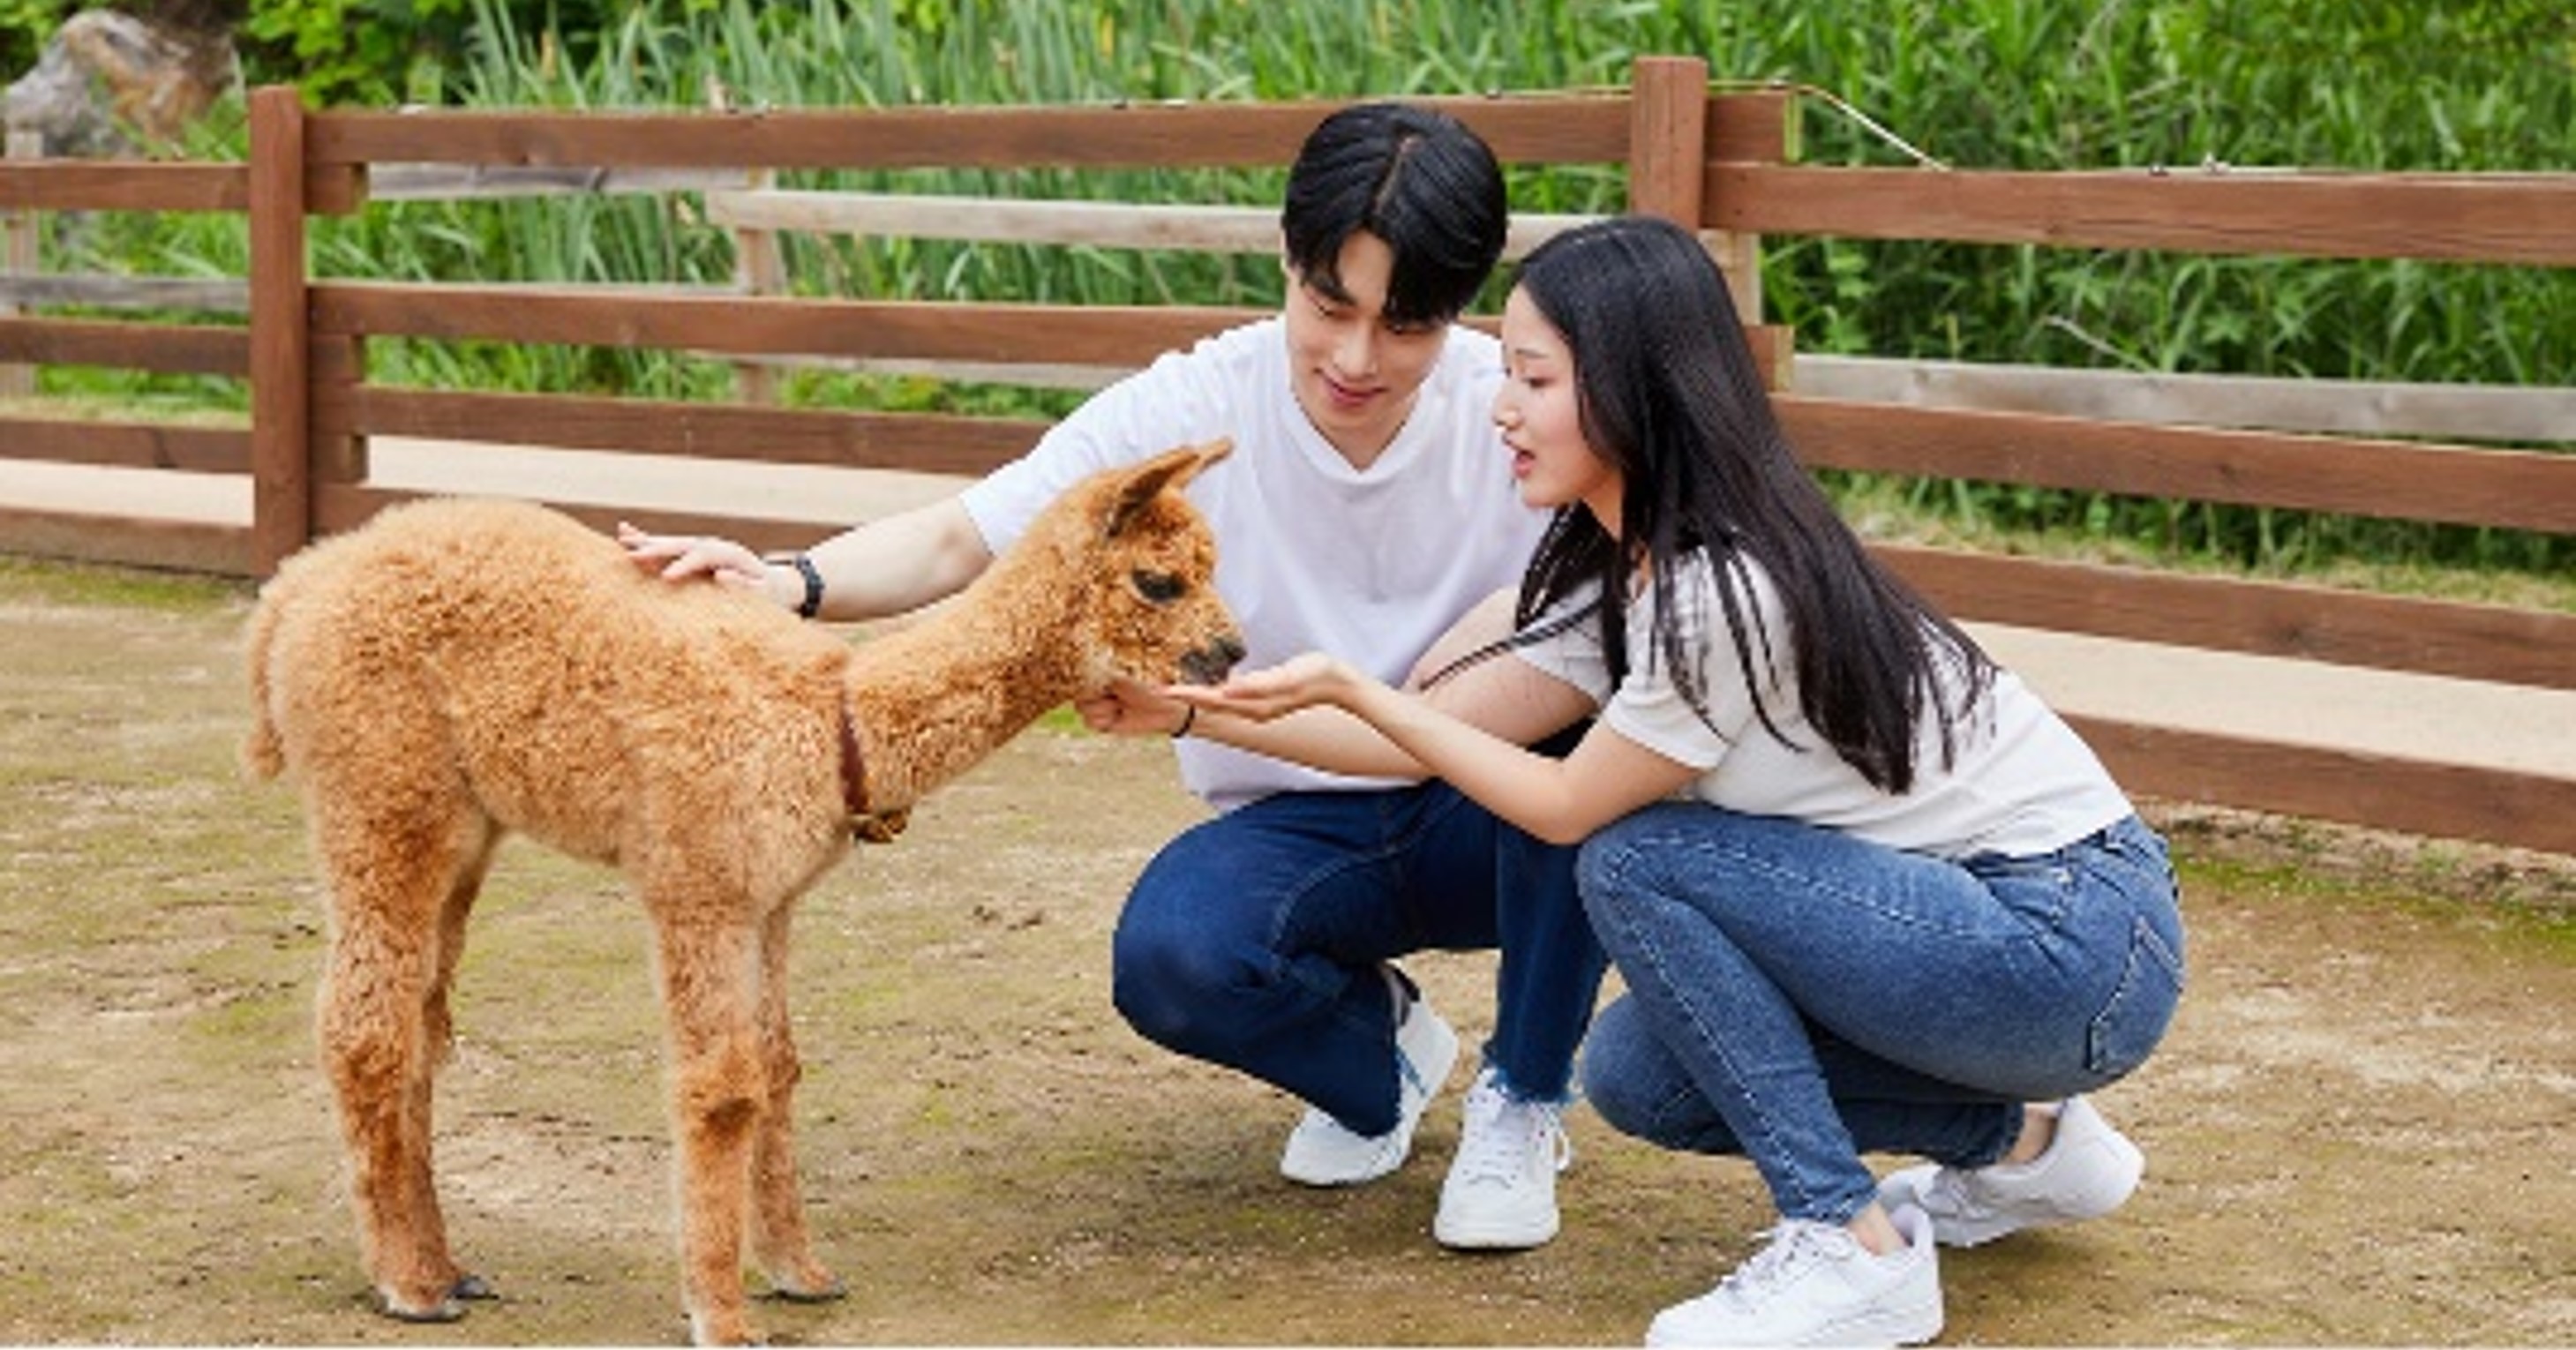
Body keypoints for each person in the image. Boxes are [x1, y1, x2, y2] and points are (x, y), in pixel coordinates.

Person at [1129, 214, 2186, 1346]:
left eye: (1532, 380)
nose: (1500, 408)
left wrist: (1358, 686)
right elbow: (1423, 743)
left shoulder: (1720, 588)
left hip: (2068, 942)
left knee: (1635, 858)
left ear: (1633, 390)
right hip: (1986, 951)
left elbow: (1566, 806)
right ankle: (2027, 1146)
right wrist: (1192, 708)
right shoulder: (1622, 576)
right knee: (1642, 1074)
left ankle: (1852, 1247)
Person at [619, 101, 1608, 1252]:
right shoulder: (1195, 403)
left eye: (1404, 325)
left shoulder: (1517, 408)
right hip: (1293, 816)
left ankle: (1524, 1093)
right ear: (1284, 262)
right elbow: (967, 534)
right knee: (1173, 958)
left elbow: (1649, 575)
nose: (1354, 358)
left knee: (1594, 764)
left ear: (1461, 308)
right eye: (1327, 306)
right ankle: (1376, 1050)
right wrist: (789, 580)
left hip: (1477, 797)